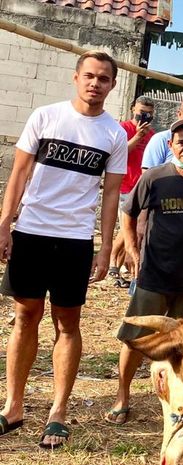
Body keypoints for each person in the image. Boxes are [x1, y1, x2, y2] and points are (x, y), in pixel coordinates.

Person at [0, 50, 127, 448]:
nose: (95, 83)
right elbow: (19, 172)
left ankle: (57, 411)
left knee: (67, 324)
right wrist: (5, 224)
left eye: (103, 78)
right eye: (89, 76)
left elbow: (110, 196)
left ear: (112, 85)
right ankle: (13, 406)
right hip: (32, 232)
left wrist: (105, 248)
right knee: (25, 315)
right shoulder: (46, 116)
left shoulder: (114, 135)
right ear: (76, 78)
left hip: (74, 239)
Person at [105, 117, 183, 425]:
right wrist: (133, 251)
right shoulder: (155, 178)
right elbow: (128, 212)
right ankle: (122, 395)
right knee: (136, 338)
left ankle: (178, 400)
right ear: (170, 145)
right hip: (154, 274)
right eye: (181, 142)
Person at [108, 96, 156, 287]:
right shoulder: (122, 129)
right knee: (129, 228)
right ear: (132, 109)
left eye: (149, 113)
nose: (145, 116)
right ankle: (113, 264)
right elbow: (118, 153)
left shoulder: (153, 135)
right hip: (125, 184)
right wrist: (137, 136)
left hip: (142, 187)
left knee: (129, 229)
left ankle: (115, 269)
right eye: (141, 111)